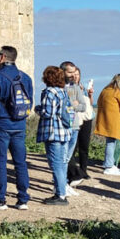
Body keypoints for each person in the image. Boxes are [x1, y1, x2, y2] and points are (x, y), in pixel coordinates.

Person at [0, 46, 33, 210]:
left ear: (3, 57)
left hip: (0, 124)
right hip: (19, 125)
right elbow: (29, 102)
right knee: (20, 162)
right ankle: (23, 199)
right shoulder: (25, 77)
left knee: (0, 162)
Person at [35, 65, 73, 205]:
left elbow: (47, 113)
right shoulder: (63, 92)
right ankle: (62, 191)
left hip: (52, 132)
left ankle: (60, 194)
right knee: (62, 163)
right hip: (64, 131)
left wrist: (37, 109)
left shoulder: (49, 92)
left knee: (55, 164)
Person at [64, 65, 93, 192]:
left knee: (84, 146)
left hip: (84, 119)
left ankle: (82, 171)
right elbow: (73, 104)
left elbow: (87, 105)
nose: (74, 76)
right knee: (71, 150)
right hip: (74, 120)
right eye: (72, 73)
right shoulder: (68, 88)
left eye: (76, 74)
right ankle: (72, 174)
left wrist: (90, 94)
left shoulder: (81, 88)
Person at [94, 74, 120, 176]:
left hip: (103, 119)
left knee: (110, 142)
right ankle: (109, 165)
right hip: (114, 120)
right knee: (111, 143)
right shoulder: (119, 92)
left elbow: (99, 103)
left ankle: (109, 163)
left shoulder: (105, 90)